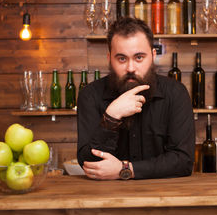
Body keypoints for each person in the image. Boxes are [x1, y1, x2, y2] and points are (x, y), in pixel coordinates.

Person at [77, 17, 195, 180]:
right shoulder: (90, 95)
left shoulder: (175, 93)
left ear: (153, 55)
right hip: (106, 199)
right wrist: (111, 117)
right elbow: (89, 164)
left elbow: (183, 161)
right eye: (122, 58)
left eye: (139, 57)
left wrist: (125, 169)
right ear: (109, 58)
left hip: (165, 197)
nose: (130, 68)